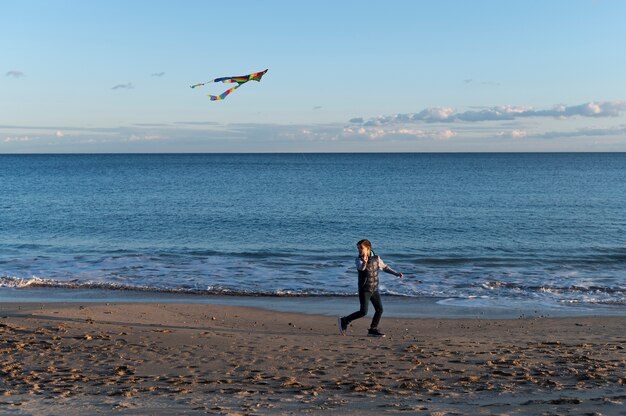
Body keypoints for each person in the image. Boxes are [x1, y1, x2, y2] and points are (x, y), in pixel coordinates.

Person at [337, 239, 403, 337]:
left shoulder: (376, 258)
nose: (359, 251)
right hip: (364, 289)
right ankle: (345, 320)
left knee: (379, 310)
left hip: (374, 289)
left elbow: (385, 267)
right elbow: (361, 268)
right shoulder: (358, 260)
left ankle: (373, 329)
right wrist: (364, 262)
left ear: (368, 248)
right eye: (358, 249)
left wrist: (396, 274)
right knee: (363, 312)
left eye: (361, 248)